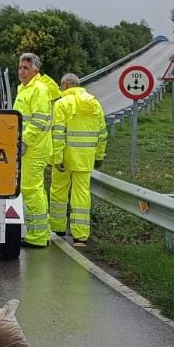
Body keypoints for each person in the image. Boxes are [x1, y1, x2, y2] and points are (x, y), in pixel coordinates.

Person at [49, 73, 106, 246]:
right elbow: (102, 133)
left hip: (65, 157)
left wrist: (56, 158)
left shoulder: (61, 104)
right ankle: (80, 236)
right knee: (81, 194)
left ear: (66, 85)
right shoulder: (94, 103)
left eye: (61, 86)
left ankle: (57, 229)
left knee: (58, 192)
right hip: (86, 157)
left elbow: (58, 134)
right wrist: (99, 156)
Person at [13, 52, 54, 247]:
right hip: (28, 148)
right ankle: (41, 233)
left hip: (33, 149)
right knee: (35, 189)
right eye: (20, 68)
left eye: (26, 68)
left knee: (30, 189)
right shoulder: (24, 89)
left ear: (35, 70)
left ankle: (37, 237)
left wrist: (25, 142)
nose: (22, 71)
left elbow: (39, 121)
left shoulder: (38, 89)